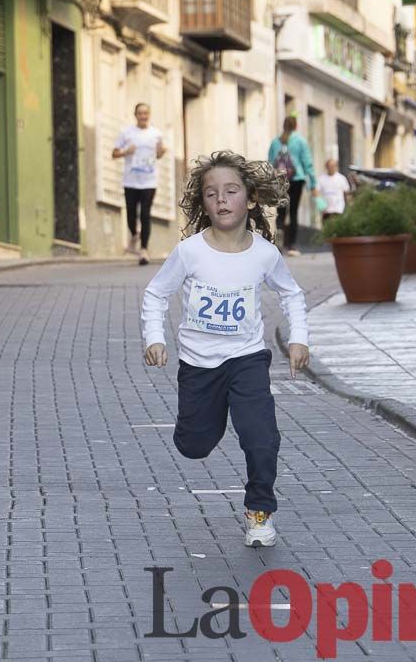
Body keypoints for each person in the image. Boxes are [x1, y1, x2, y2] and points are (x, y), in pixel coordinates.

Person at [141, 151, 310, 548]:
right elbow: (155, 293)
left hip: (246, 360)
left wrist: (299, 338)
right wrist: (154, 338)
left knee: (260, 435)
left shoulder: (264, 254)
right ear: (204, 203)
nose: (221, 199)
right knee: (194, 444)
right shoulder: (190, 252)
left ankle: (259, 511)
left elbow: (292, 294)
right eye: (211, 193)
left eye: (231, 191)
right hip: (198, 365)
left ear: (250, 199)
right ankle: (207, 422)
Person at [113, 103, 166, 265]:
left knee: (145, 214)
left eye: (146, 113)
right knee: (130, 214)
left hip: (149, 181)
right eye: (140, 113)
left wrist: (161, 151)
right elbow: (114, 153)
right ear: (135, 115)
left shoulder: (156, 134)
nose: (143, 116)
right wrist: (125, 152)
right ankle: (134, 233)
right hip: (130, 180)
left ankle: (144, 250)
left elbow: (158, 155)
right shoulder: (126, 133)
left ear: (149, 115)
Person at [267, 116, 317, 256]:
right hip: (296, 179)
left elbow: (270, 163)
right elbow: (307, 163)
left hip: (280, 180)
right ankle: (292, 246)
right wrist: (313, 183)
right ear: (296, 126)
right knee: (293, 212)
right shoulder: (300, 141)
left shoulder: (275, 142)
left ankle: (279, 244)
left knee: (281, 212)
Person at [315, 159, 352, 224]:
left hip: (338, 210)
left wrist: (349, 207)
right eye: (330, 166)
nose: (331, 168)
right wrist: (321, 206)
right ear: (326, 167)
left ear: (336, 166)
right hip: (326, 211)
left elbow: (346, 193)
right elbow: (316, 192)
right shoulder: (321, 179)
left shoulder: (341, 178)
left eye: (333, 166)